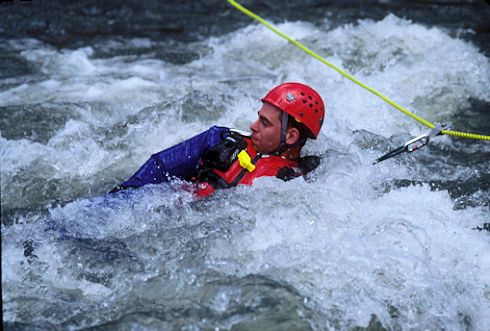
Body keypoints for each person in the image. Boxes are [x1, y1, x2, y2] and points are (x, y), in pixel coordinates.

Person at [110, 82, 325, 197]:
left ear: (290, 136)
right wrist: (122, 197)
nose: (253, 126)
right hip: (150, 205)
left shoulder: (295, 186)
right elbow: (160, 164)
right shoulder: (218, 139)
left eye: (265, 123)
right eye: (259, 118)